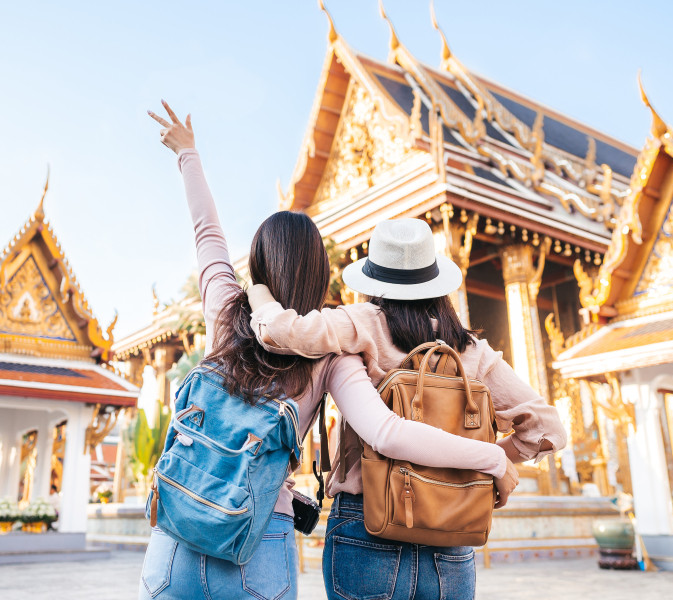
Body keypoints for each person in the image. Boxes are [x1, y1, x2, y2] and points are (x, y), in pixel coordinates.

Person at [140, 101, 521, 600]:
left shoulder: (224, 313)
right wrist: (491, 457)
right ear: (320, 273)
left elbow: (206, 233)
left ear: (255, 263)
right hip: (256, 539)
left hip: (177, 532)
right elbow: (386, 431)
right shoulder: (333, 353)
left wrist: (188, 154)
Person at [246, 220, 568, 600]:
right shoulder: (471, 350)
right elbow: (548, 429)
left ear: (374, 281)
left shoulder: (361, 323)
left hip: (369, 524)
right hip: (451, 532)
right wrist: (482, 461)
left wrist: (258, 292)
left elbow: (282, 331)